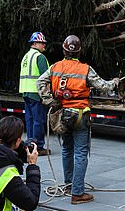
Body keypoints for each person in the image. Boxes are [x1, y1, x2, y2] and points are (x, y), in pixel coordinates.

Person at [37, 35, 120, 205]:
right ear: (79, 51)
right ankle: (77, 193)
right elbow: (103, 87)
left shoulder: (55, 67)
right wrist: (115, 82)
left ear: (64, 51)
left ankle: (69, 186)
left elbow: (40, 82)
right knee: (81, 152)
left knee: (67, 149)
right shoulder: (85, 69)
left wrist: (50, 101)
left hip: (63, 116)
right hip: (81, 115)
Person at [19, 31, 51, 156]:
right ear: (36, 43)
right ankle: (38, 146)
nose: (44, 46)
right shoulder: (40, 57)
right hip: (36, 93)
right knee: (39, 120)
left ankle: (30, 143)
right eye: (42, 43)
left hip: (26, 92)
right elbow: (46, 77)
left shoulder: (26, 56)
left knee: (30, 119)